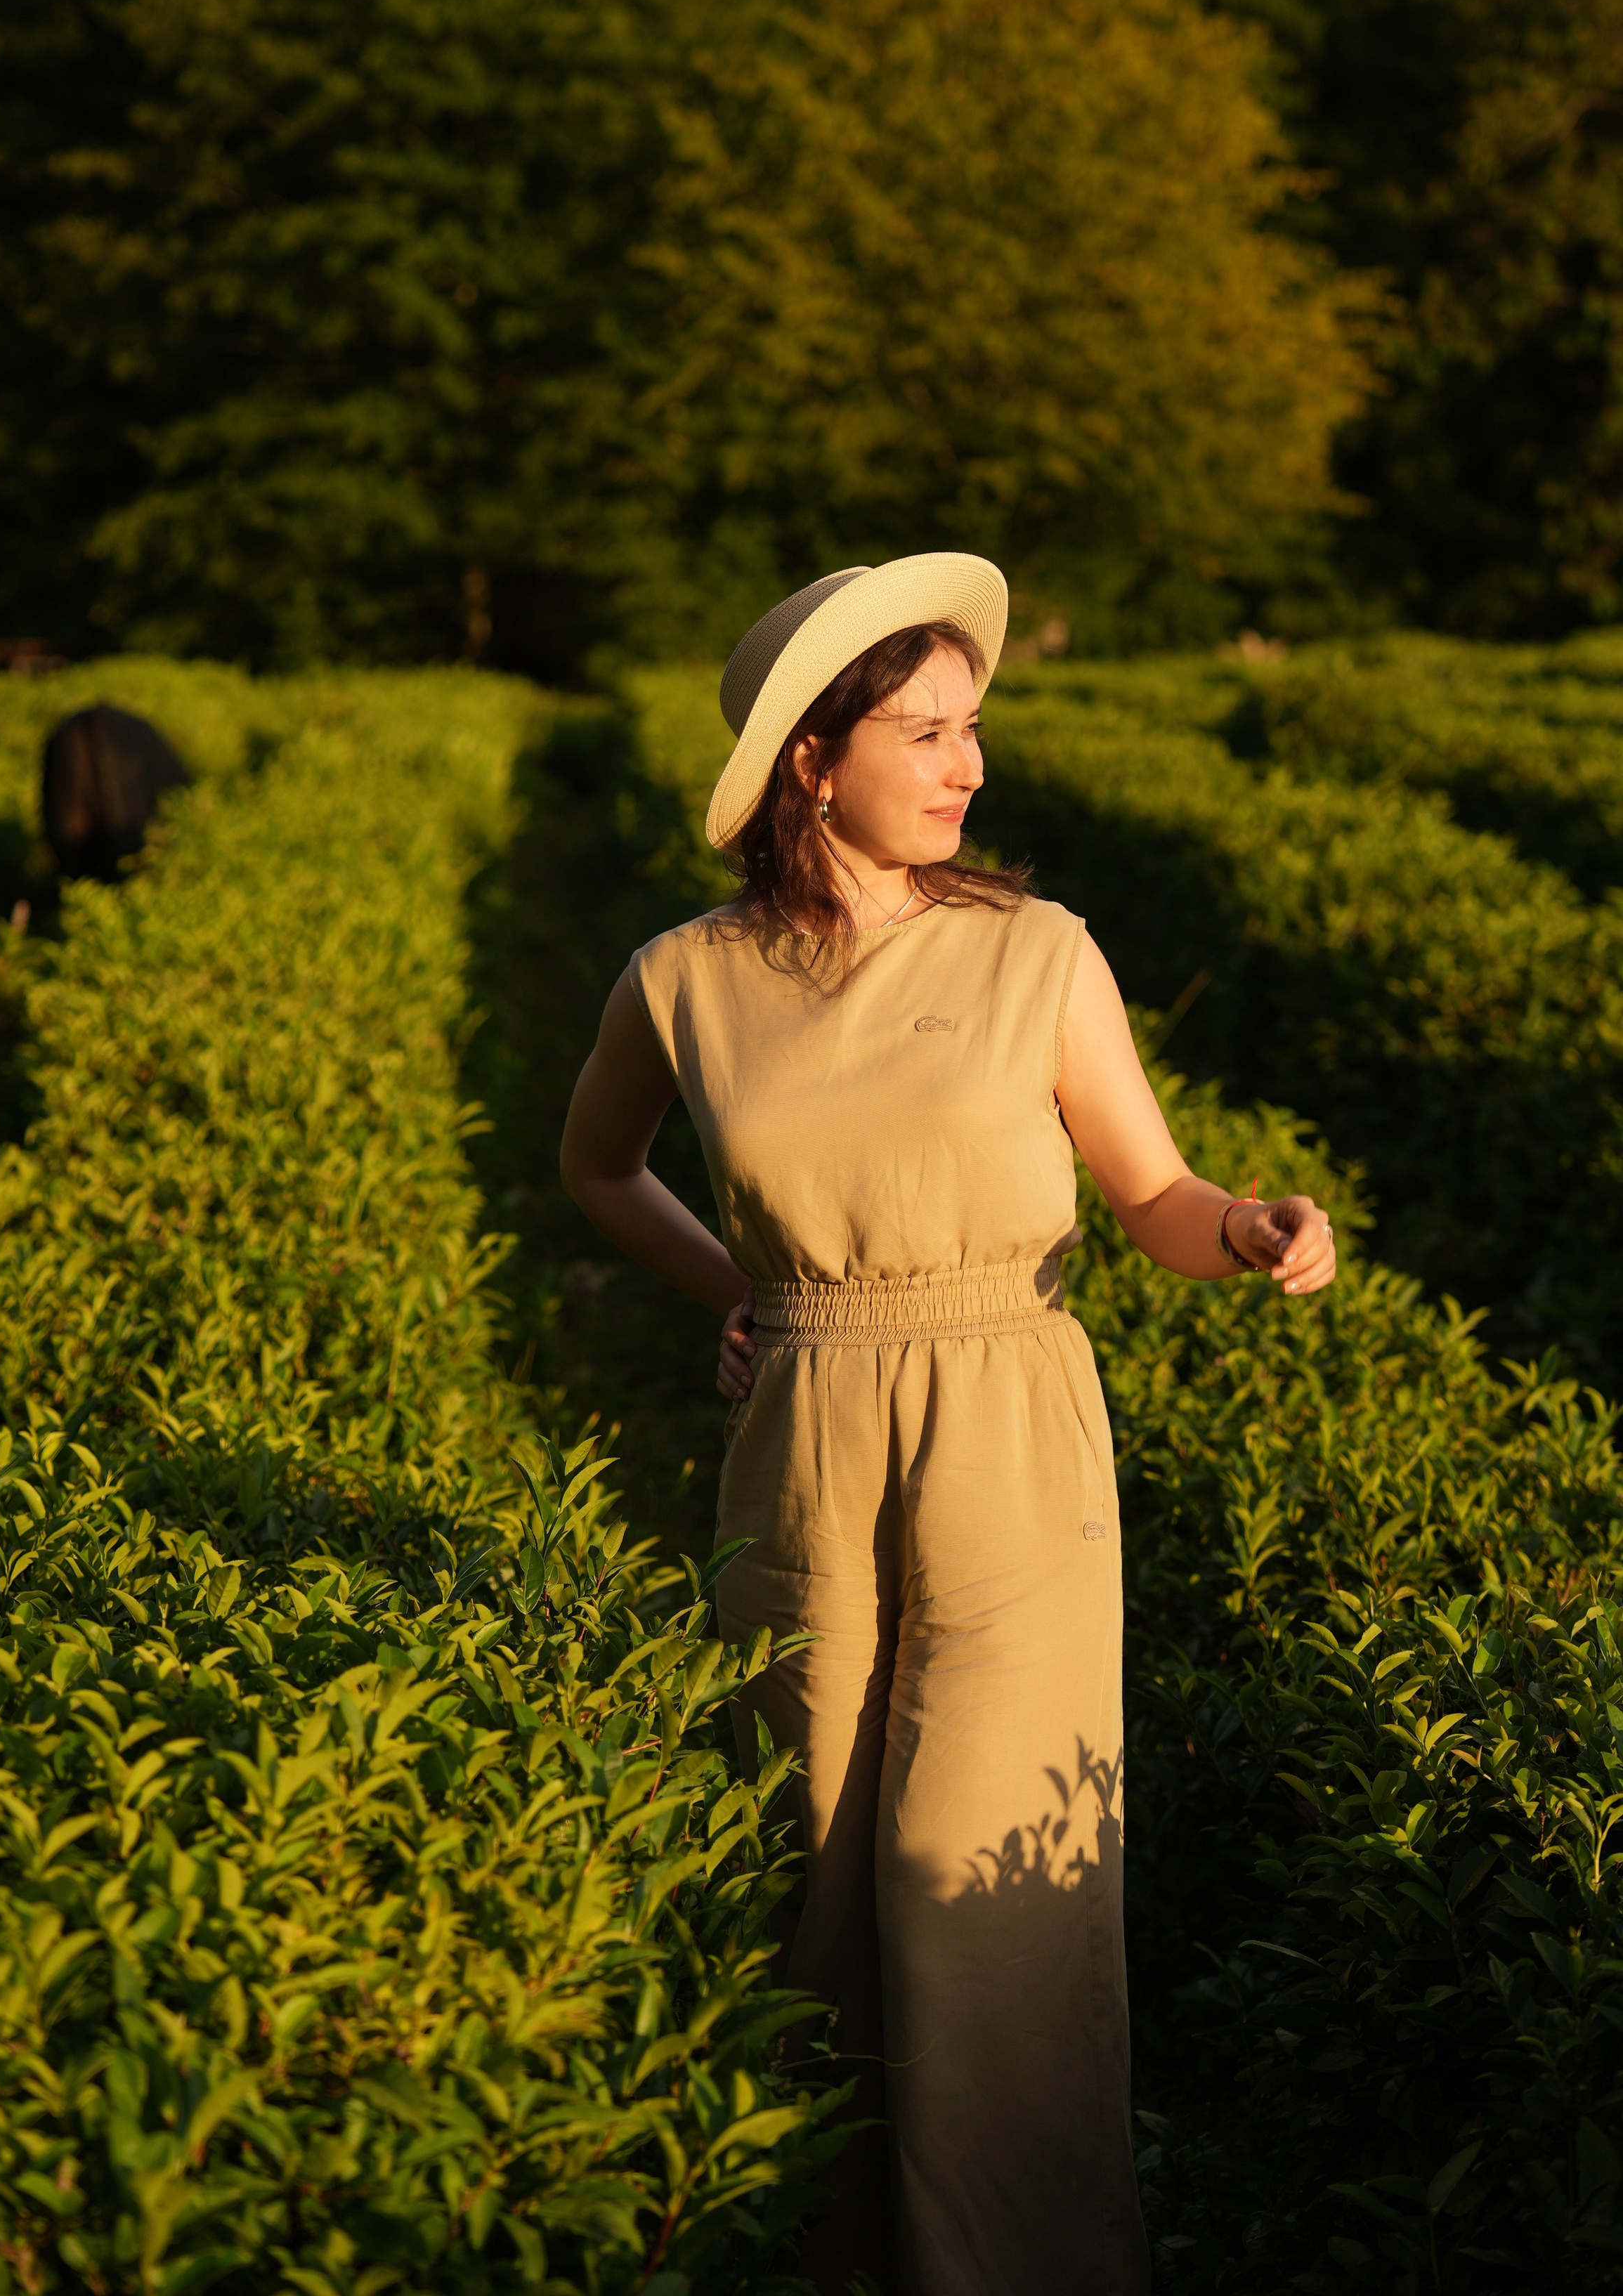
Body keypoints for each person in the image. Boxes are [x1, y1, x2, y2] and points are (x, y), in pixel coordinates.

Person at [559, 556, 1336, 2296]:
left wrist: (1255, 1227)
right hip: (807, 1447)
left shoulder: (1032, 951)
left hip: (1008, 1431)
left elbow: (1150, 1193)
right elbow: (592, 1170)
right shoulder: (680, 979)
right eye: (926, 733)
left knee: (978, 1885)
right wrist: (733, 1296)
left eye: (970, 729)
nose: (967, 766)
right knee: (812, 1882)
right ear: (810, 764)